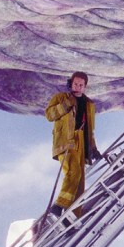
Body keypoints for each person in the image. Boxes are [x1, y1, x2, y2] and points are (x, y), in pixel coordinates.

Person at [45, 72, 101, 218]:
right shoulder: (61, 97)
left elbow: (90, 129)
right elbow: (49, 115)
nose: (78, 87)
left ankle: (73, 215)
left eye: (81, 85)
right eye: (76, 84)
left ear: (85, 86)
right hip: (66, 140)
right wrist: (66, 104)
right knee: (73, 172)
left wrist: (94, 149)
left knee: (80, 180)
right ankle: (59, 205)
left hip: (82, 141)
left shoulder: (89, 104)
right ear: (71, 83)